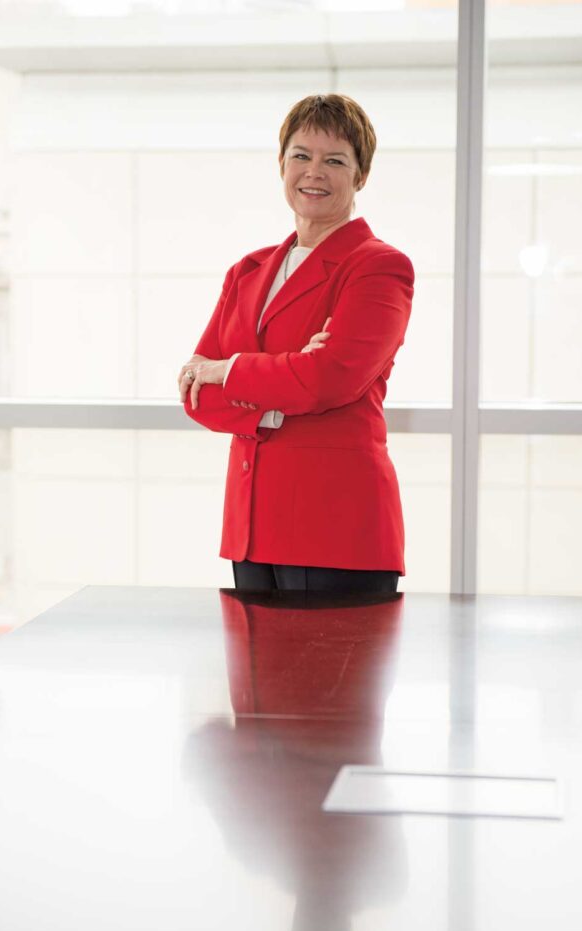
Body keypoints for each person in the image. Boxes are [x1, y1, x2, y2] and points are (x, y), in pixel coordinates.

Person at [177, 93, 414, 593]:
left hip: (335, 525)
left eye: (335, 160)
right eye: (301, 156)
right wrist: (279, 390)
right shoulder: (249, 270)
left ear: (361, 176)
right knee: (255, 673)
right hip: (251, 524)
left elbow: (330, 379)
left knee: (332, 674)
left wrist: (230, 369)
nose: (314, 172)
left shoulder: (377, 267)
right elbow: (198, 394)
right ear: (281, 165)